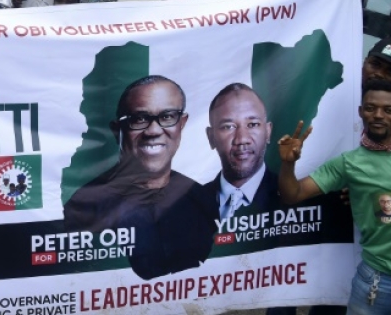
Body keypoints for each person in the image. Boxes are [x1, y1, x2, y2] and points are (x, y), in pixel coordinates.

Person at [63, 75, 218, 280]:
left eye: (168, 116)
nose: (153, 131)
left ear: (182, 123)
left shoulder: (201, 198)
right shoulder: (86, 206)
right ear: (117, 130)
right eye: (139, 119)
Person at [279, 80, 391, 315]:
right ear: (361, 111)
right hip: (376, 283)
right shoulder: (348, 163)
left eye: (389, 110)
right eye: (370, 108)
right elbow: (293, 194)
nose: (378, 115)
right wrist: (288, 164)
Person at [203, 84, 277, 219]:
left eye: (253, 124)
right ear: (211, 137)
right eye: (228, 127)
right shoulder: (188, 207)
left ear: (268, 132)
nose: (242, 139)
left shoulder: (296, 199)